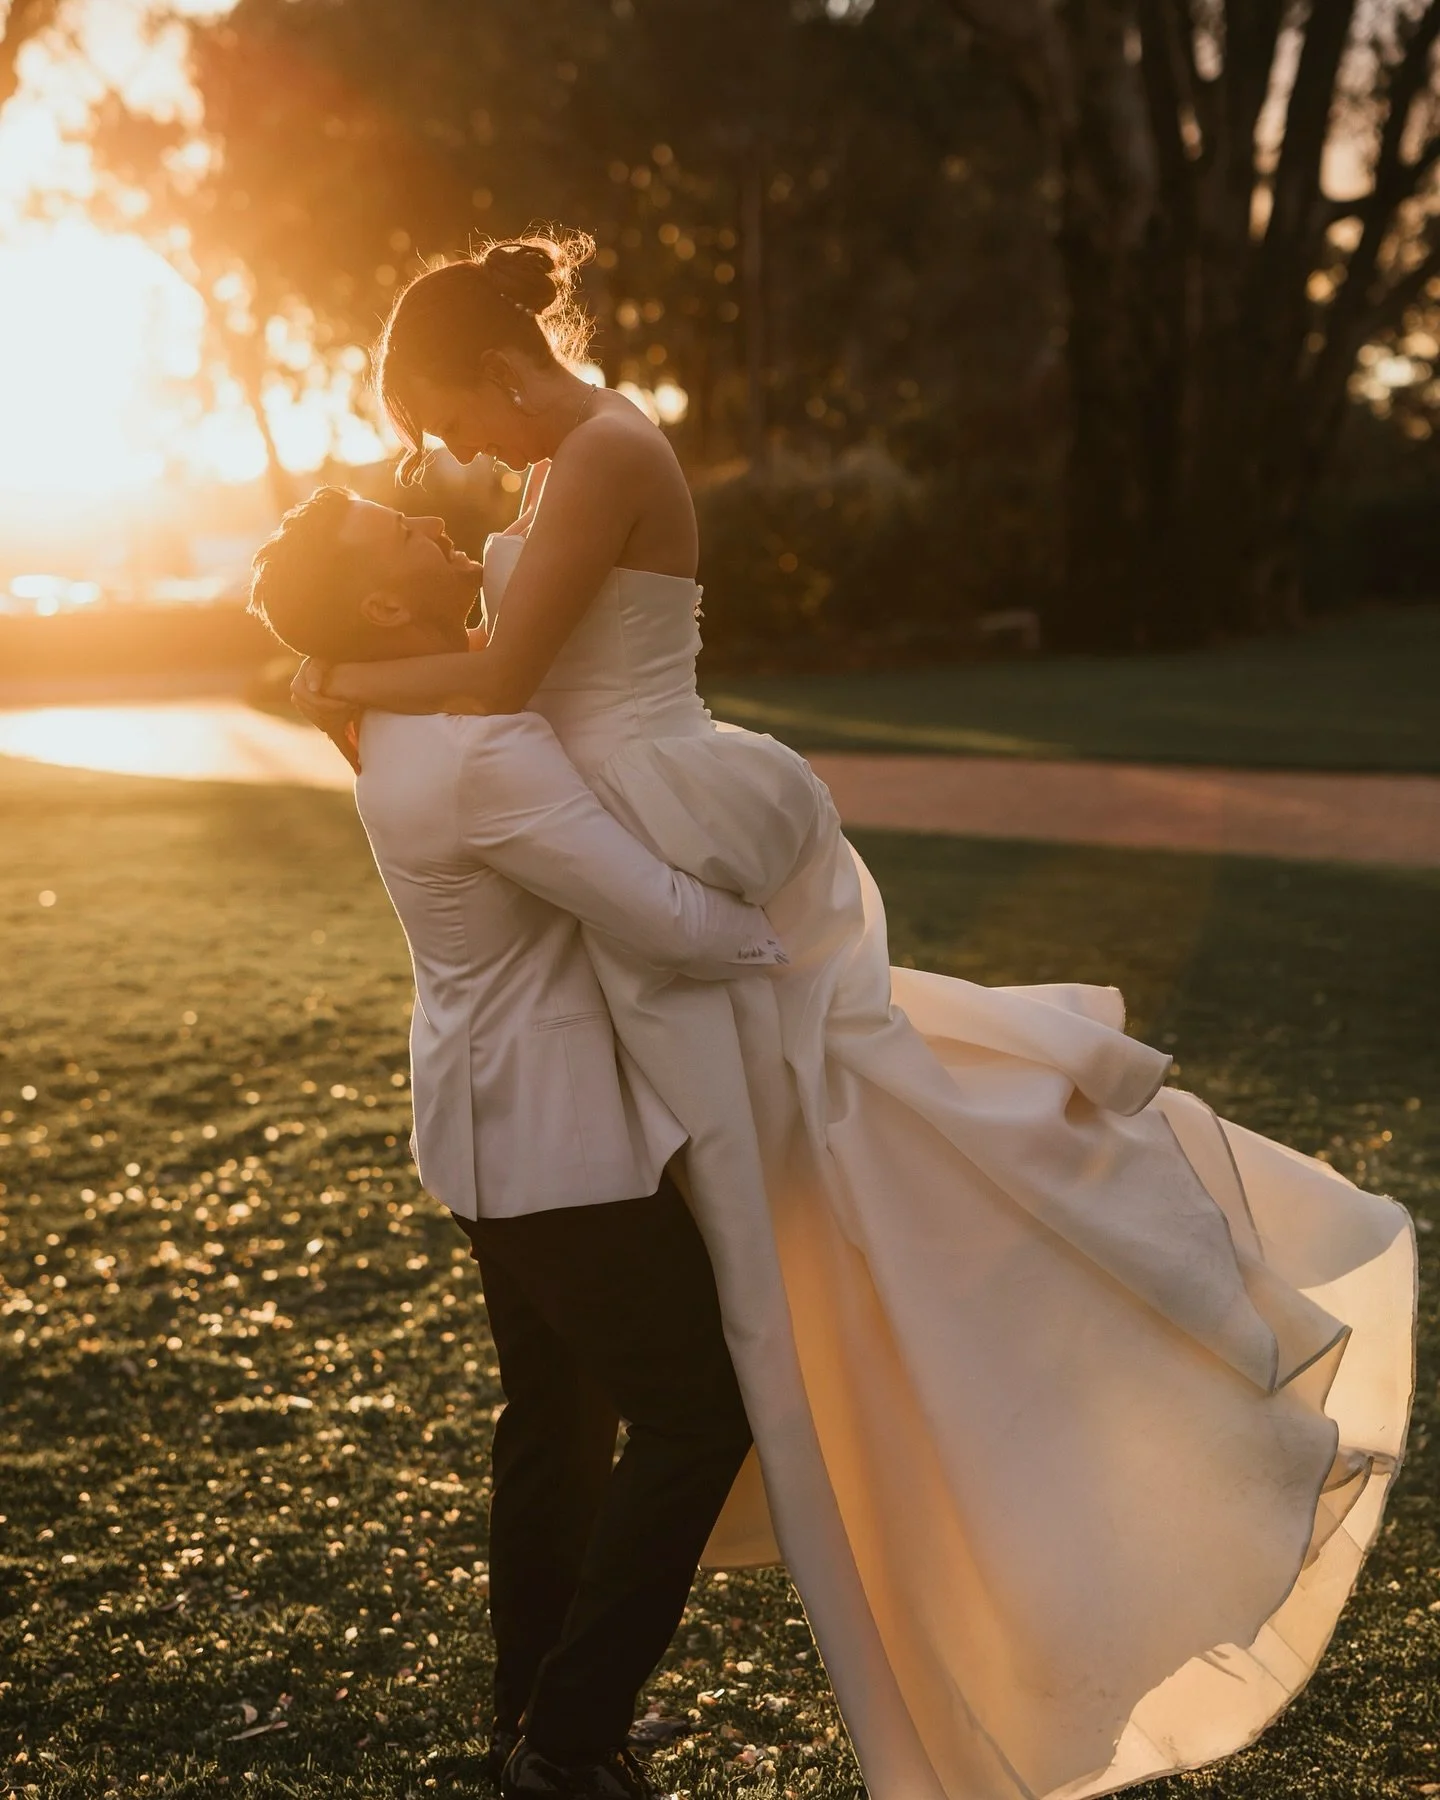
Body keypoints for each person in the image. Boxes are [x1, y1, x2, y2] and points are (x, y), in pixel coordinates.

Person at [287, 233, 1416, 1800]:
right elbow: (497, 690)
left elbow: (503, 674)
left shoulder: (608, 447)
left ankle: (599, 1698)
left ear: (497, 362)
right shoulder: (559, 473)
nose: (457, 455)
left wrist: (335, 663)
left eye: (449, 416)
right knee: (668, 1319)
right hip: (612, 852)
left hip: (662, 821)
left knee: (808, 1196)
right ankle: (567, 1714)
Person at [249, 485, 792, 1800]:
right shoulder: (475, 746)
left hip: (483, 1128)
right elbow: (660, 917)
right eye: (408, 538)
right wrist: (791, 947)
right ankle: (567, 1735)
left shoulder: (386, 711)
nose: (441, 533)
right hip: (559, 1150)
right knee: (699, 1412)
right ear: (388, 603)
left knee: (555, 1423)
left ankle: (533, 1715)